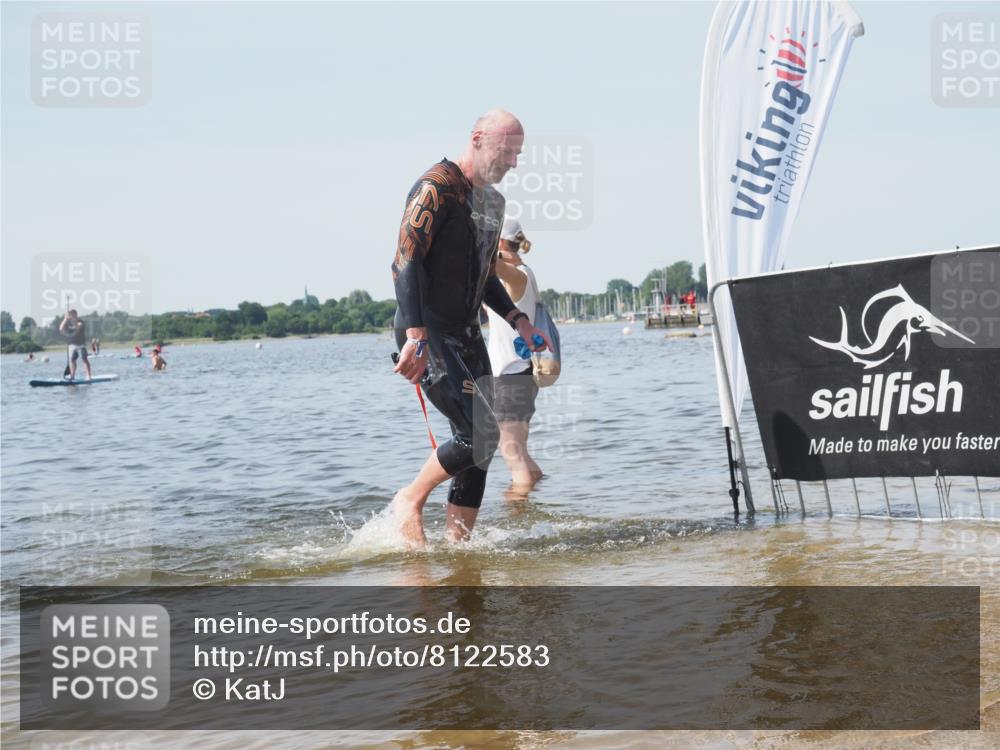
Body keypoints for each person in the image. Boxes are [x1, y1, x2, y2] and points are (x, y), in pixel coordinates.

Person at [390, 109, 550, 547]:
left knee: (482, 449)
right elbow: (406, 260)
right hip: (429, 332)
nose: (512, 162)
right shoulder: (435, 188)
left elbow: (485, 274)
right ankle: (410, 499)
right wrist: (415, 336)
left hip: (466, 333)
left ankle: (458, 548)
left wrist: (517, 318)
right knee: (477, 434)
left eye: (518, 154)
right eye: (507, 150)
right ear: (477, 138)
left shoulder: (493, 203)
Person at [485, 218, 544, 490]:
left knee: (512, 452)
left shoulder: (518, 274)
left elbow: (487, 262)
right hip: (521, 373)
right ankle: (537, 495)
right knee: (519, 451)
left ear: (498, 242)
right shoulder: (524, 272)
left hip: (511, 374)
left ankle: (518, 508)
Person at [59, 310, 92, 381]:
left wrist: (73, 320)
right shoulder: (67, 323)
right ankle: (72, 376)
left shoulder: (80, 322)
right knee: (72, 360)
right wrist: (65, 319)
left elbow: (78, 327)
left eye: (71, 315)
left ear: (75, 315)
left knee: (84, 359)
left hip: (81, 345)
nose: (70, 317)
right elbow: (61, 328)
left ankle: (88, 376)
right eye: (69, 315)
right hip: (71, 345)